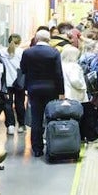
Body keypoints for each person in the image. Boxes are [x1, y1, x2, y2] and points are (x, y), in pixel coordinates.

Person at [20, 28, 64, 157]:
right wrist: (61, 92)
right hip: (51, 89)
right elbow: (58, 74)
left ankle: (37, 148)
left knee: (36, 118)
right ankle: (52, 145)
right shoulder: (54, 52)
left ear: (36, 39)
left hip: (33, 89)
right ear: (49, 39)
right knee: (51, 117)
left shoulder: (28, 52)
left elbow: (23, 69)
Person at [60, 45, 93, 141]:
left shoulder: (61, 65)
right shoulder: (74, 66)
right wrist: (83, 87)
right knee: (83, 116)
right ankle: (83, 136)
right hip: (77, 94)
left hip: (66, 94)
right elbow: (75, 81)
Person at [2, 33, 26, 135]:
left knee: (7, 104)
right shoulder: (22, 52)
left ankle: (10, 126)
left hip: (6, 82)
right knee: (19, 104)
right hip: (19, 82)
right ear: (19, 42)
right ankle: (21, 125)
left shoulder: (2, 52)